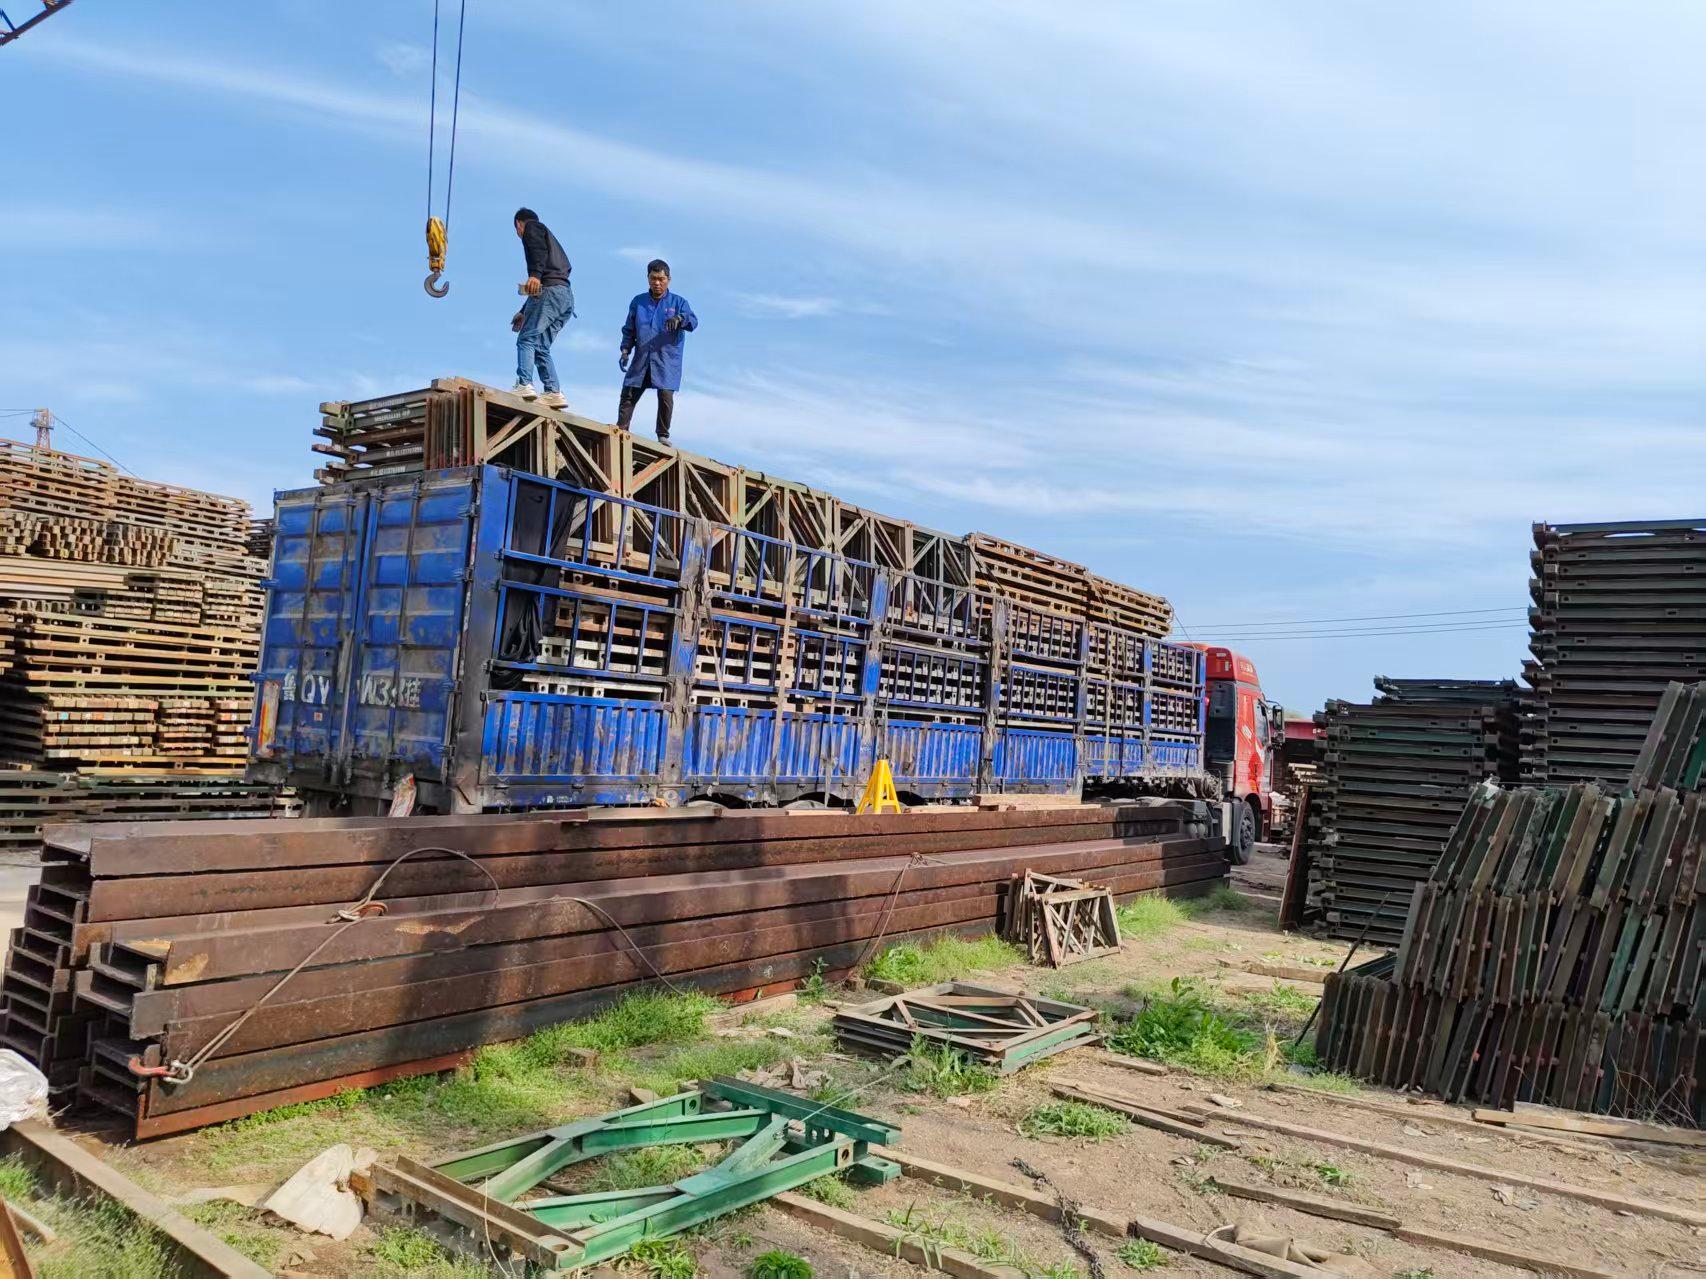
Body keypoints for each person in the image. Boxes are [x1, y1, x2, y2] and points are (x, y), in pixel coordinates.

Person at [617, 259, 697, 444]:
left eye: (661, 279)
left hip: (666, 359)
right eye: (653, 278)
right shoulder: (638, 302)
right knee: (629, 393)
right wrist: (625, 349)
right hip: (642, 358)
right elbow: (629, 329)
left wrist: (680, 319)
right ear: (648, 278)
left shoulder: (678, 302)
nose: (657, 283)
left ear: (668, 279)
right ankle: (621, 429)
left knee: (665, 395)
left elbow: (693, 321)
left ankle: (663, 434)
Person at [510, 208, 574, 409]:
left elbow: (538, 252)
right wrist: (524, 311)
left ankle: (524, 384)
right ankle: (553, 392)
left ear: (518, 224)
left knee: (526, 338)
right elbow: (548, 281)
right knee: (540, 346)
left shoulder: (532, 227)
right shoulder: (551, 240)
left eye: (517, 230)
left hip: (549, 292)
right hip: (564, 296)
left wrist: (534, 274)